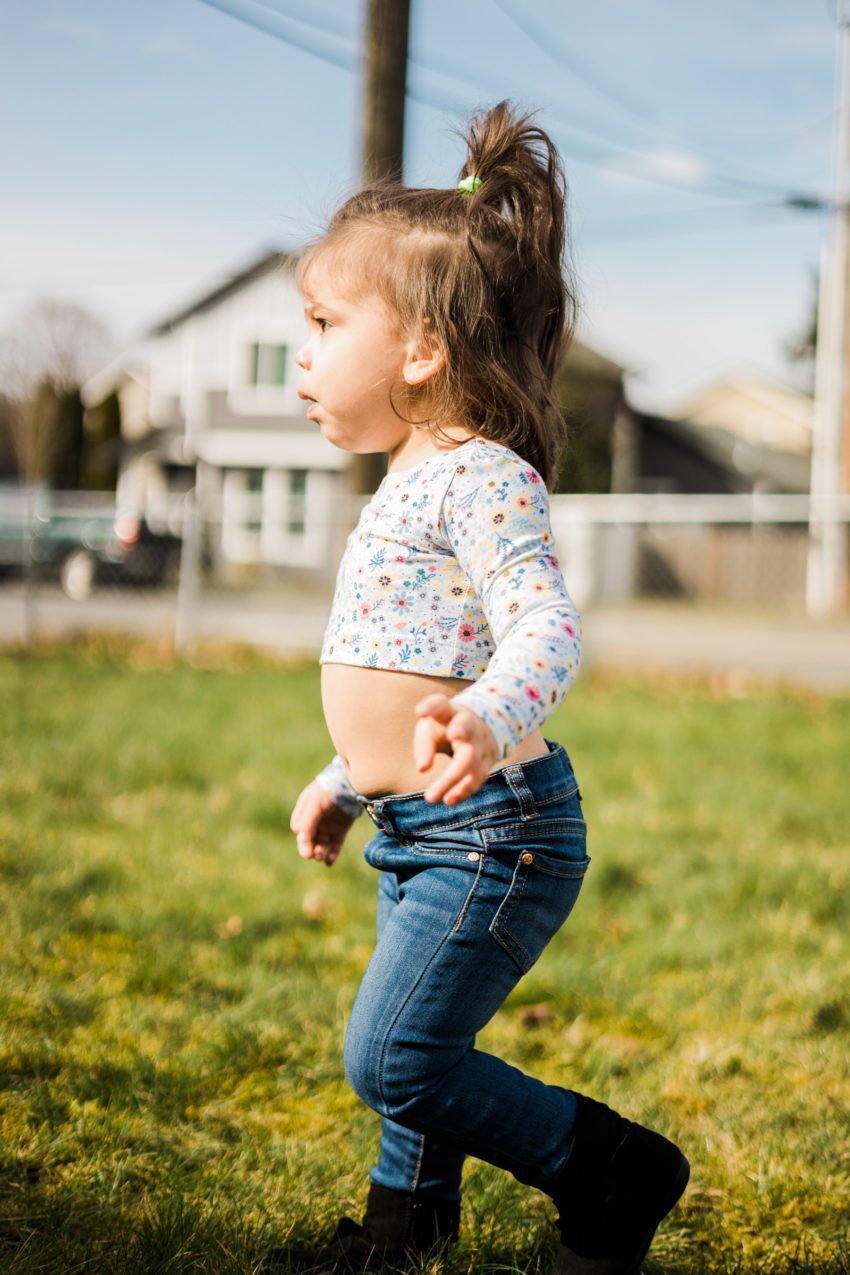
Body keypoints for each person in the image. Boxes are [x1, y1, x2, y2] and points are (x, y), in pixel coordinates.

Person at [263, 101, 689, 1275]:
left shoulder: (480, 477)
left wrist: (495, 714)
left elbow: (544, 628)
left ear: (419, 350)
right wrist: (348, 778)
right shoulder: (403, 481)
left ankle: (611, 1170)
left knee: (393, 1056)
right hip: (423, 822)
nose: (301, 352)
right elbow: (412, 665)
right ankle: (403, 1233)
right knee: (422, 1037)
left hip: (496, 833)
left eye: (320, 322)